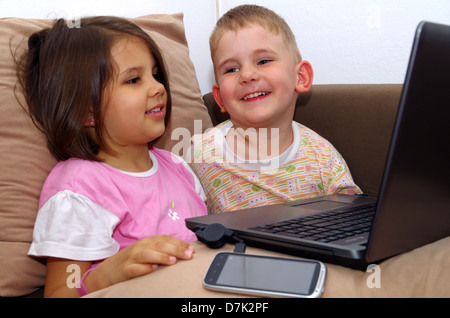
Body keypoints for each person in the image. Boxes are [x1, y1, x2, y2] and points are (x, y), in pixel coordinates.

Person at [16, 17, 207, 297]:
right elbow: (61, 290)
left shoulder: (178, 167)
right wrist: (104, 275)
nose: (158, 87)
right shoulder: (78, 189)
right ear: (86, 112)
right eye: (133, 79)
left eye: (155, 74)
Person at [190, 5, 361, 214]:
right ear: (220, 99)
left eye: (263, 61)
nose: (247, 75)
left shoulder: (323, 159)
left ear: (300, 77)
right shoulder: (200, 154)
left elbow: (352, 222)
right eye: (232, 69)